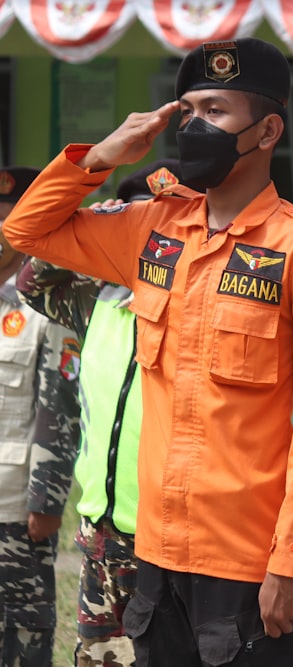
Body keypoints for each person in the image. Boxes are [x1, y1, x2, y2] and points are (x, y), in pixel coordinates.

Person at [4, 38, 293, 667]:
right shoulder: (152, 228)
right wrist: (99, 159)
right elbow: (25, 231)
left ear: (268, 128)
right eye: (187, 109)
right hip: (155, 554)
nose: (194, 125)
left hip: (248, 561)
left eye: (215, 111)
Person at [16, 159, 195, 667]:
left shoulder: (201, 303)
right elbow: (33, 277)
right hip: (101, 531)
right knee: (99, 659)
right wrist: (95, 217)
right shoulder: (97, 298)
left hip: (171, 535)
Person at [0, 166, 82, 666]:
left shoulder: (47, 306)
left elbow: (59, 406)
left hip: (12, 504)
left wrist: (46, 502)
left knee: (21, 632)